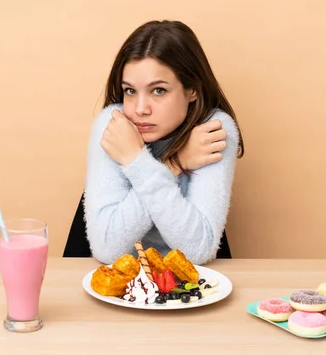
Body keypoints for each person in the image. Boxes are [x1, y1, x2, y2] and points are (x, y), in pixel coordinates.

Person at [83, 20, 245, 265]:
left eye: (158, 91)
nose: (140, 109)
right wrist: (175, 163)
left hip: (189, 287)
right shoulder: (114, 125)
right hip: (120, 285)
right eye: (130, 91)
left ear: (193, 90)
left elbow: (198, 249)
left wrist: (139, 164)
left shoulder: (213, 129)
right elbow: (107, 249)